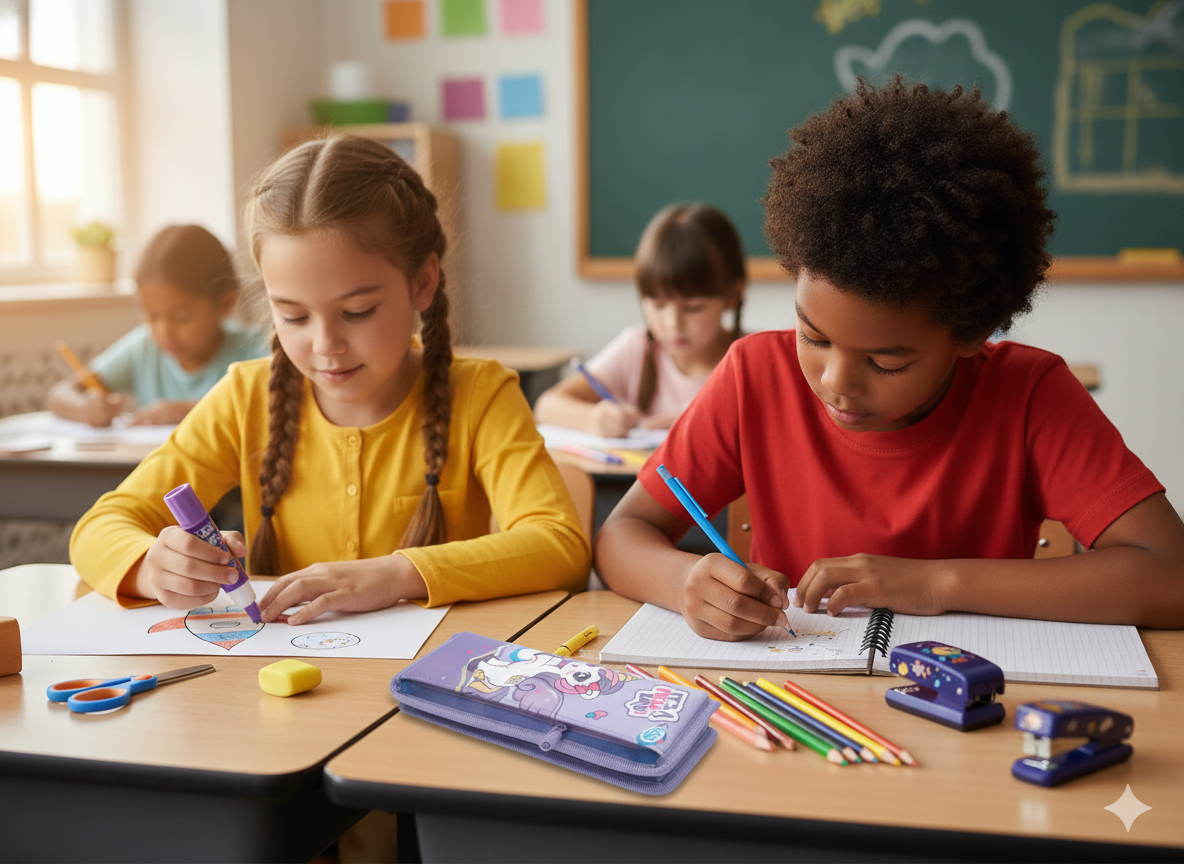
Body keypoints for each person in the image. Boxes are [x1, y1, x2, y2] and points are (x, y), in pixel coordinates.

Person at [594, 77, 1184, 640]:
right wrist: (685, 584)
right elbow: (623, 533)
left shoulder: (1029, 396)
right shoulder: (754, 376)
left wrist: (936, 582)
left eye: (887, 362)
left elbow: (1170, 575)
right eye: (813, 337)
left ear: (970, 331)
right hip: (794, 702)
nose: (835, 383)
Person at [70, 135, 590, 622]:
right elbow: (98, 527)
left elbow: (559, 545)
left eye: (358, 311)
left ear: (423, 283)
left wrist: (396, 574)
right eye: (293, 316)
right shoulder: (245, 398)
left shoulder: (479, 394)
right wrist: (151, 566)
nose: (324, 345)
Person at [533, 203, 747, 437]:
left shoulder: (753, 358)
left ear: (732, 295)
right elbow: (547, 406)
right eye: (659, 305)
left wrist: (702, 420)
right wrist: (594, 418)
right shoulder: (637, 348)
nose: (673, 323)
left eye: (693, 308)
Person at [47, 224, 268, 427]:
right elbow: (59, 395)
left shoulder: (258, 347)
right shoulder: (144, 348)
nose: (164, 332)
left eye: (181, 317)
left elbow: (277, 404)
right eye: (152, 317)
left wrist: (188, 411)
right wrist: (87, 409)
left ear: (225, 303)